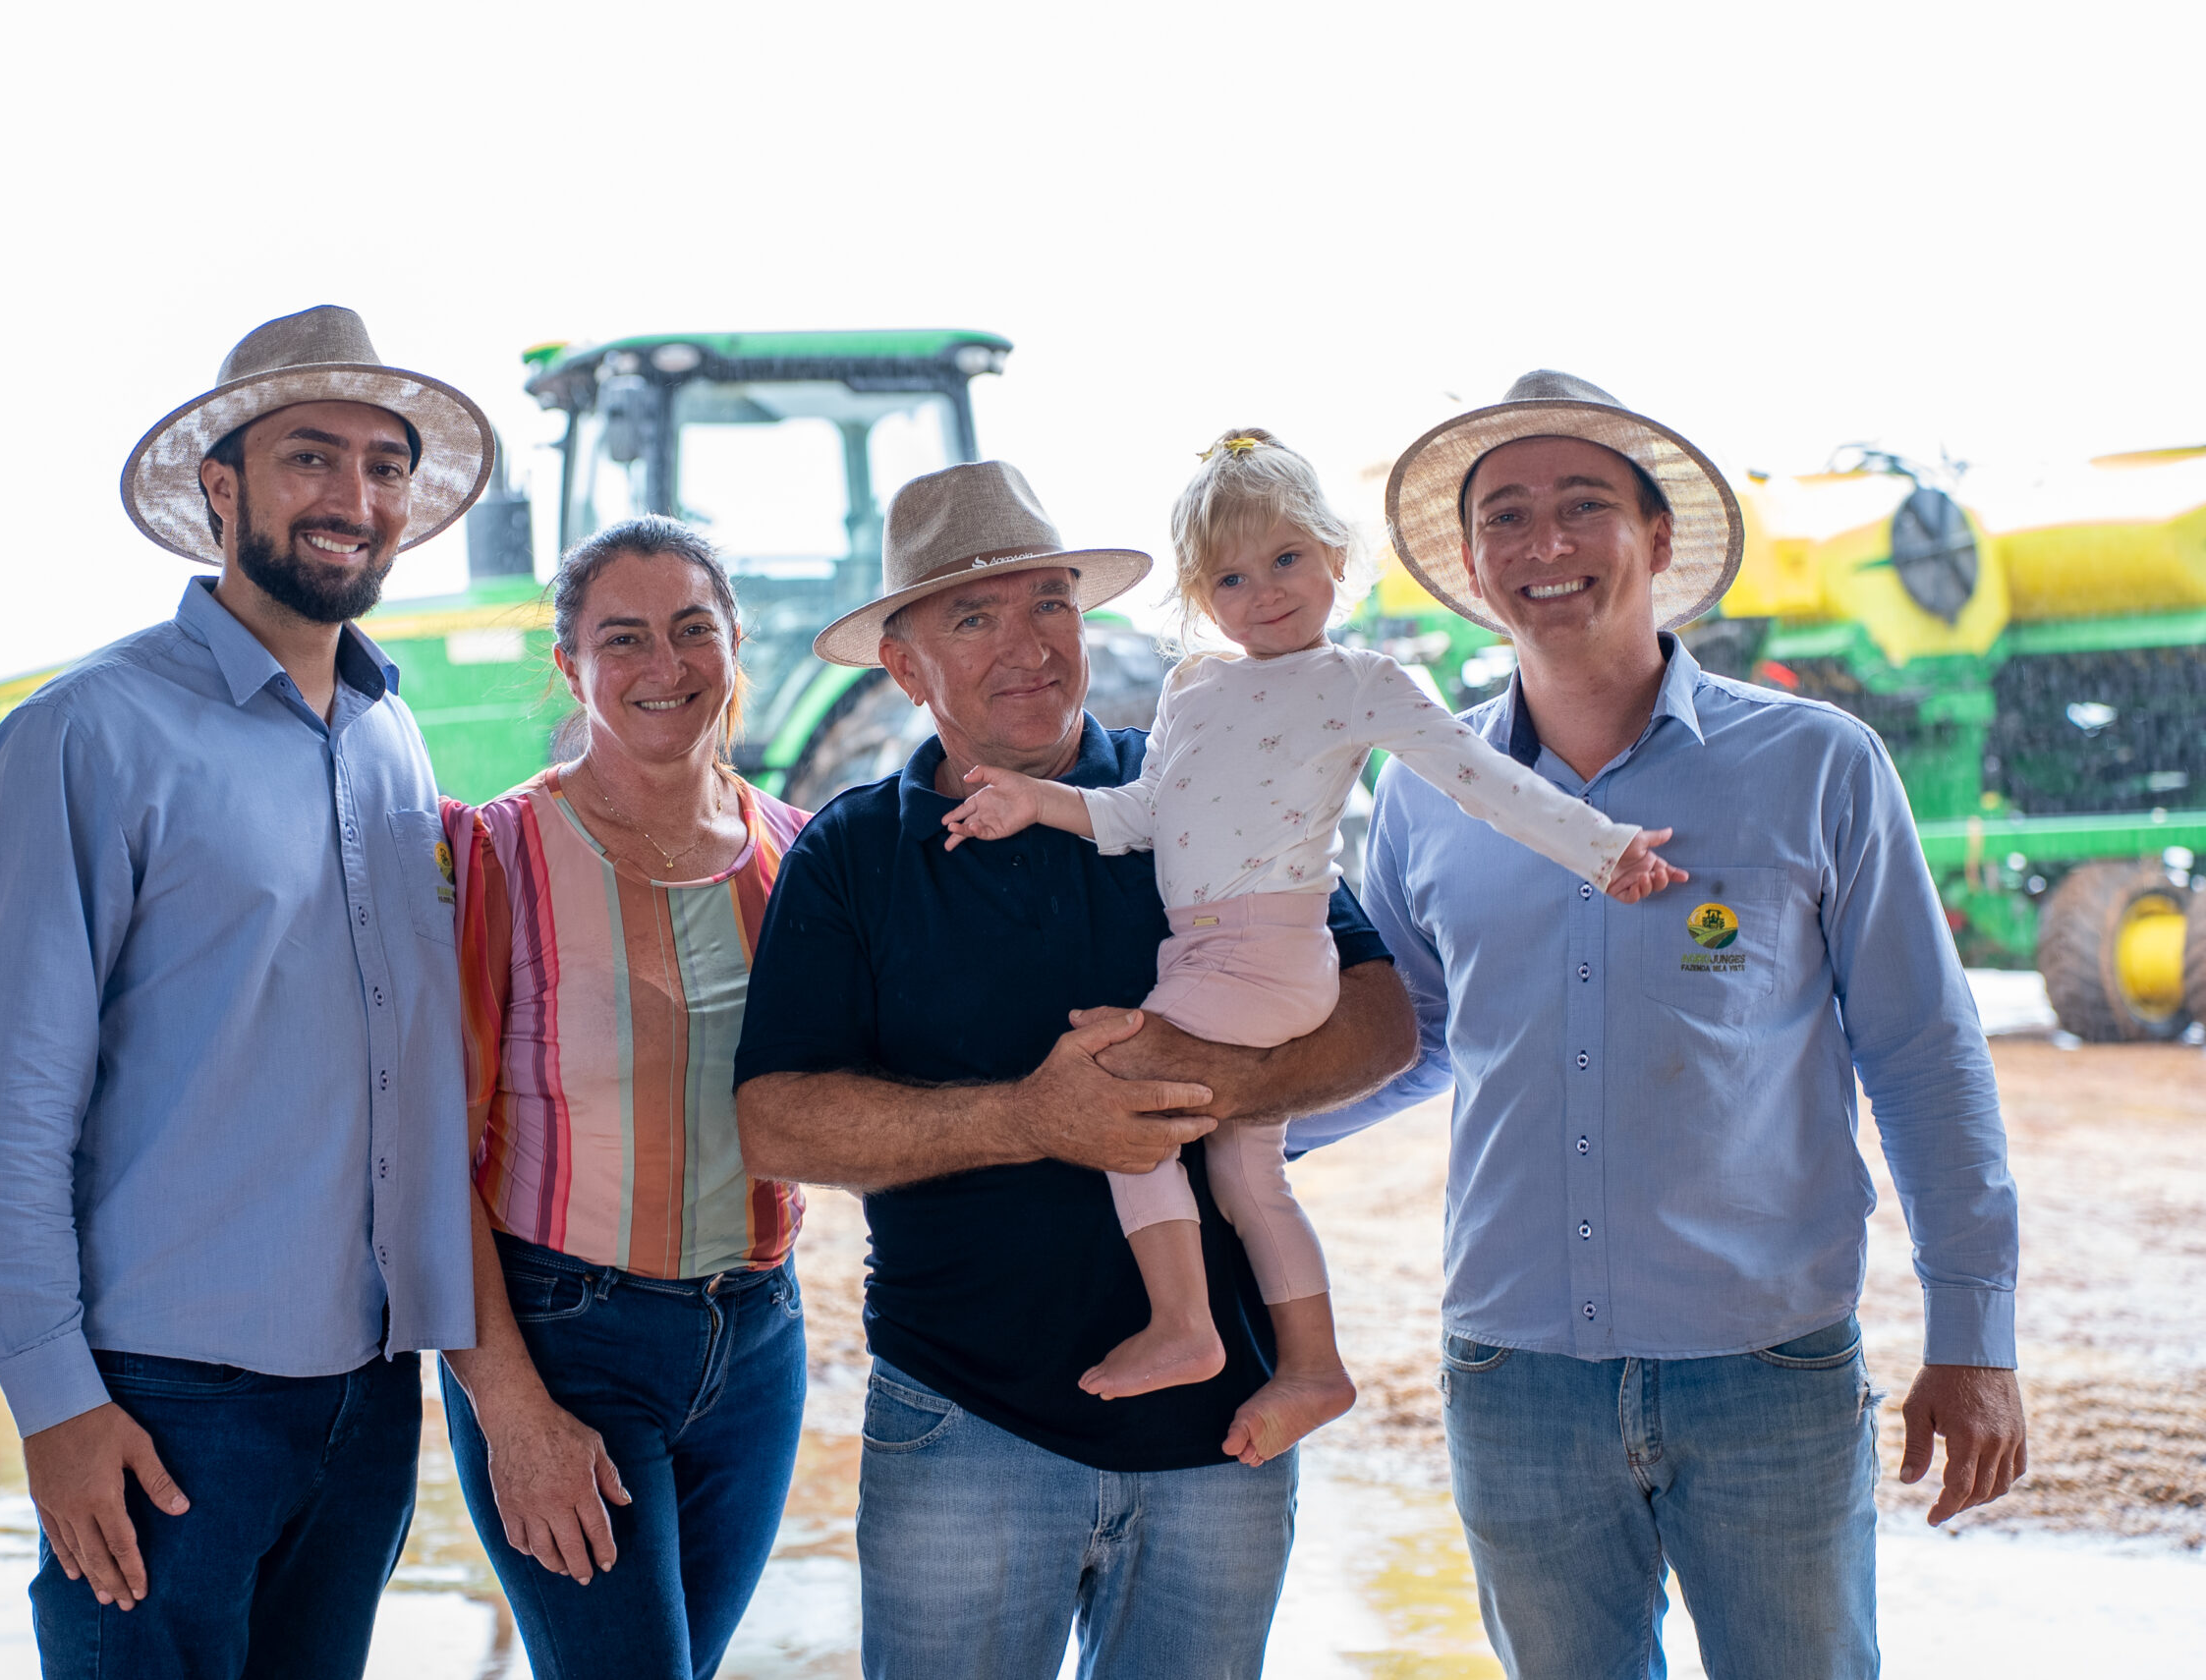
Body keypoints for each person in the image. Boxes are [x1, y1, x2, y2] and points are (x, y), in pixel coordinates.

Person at [1320, 371, 2026, 1678]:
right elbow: (1406, 1036)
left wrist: (1973, 1336)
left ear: (1655, 537)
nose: (1544, 541)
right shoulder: (1423, 794)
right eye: (1506, 515)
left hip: (1766, 1367)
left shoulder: (1815, 765)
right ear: (1472, 565)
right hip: (1514, 1375)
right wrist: (1217, 1132)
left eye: (1582, 504)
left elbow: (1925, 1058)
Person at [733, 460, 1422, 1679]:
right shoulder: (851, 854)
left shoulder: (1198, 780)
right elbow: (778, 1125)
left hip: (1227, 1432)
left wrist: (1206, 1083)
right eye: (974, 616)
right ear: (903, 667)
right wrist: (1033, 1118)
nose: (1030, 645)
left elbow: (1379, 1021)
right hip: (964, 1422)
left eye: (1049, 603)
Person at [938, 429, 1679, 1453]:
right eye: (1231, 577)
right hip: (1201, 956)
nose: (1265, 593)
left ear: (1335, 555)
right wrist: (1036, 801)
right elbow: (1141, 814)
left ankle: (1185, 1324)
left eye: (1287, 558)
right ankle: (1314, 1368)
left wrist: (1603, 849)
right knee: (1249, 1177)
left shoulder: (1360, 681)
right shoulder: (1194, 687)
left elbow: (1483, 781)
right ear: (1202, 596)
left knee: (1117, 1093)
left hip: (1272, 955)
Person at [0, 305, 492, 1676]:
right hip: (162, 1404)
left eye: (382, 466)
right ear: (222, 487)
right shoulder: (85, 734)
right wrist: (54, 1403)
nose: (353, 496)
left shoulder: (392, 737)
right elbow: (7, 1110)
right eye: (311, 457)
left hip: (368, 1398)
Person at [436, 516, 814, 1680]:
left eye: (693, 630)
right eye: (624, 639)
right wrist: (510, 1408)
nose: (666, 665)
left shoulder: (797, 855)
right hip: (566, 1341)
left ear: (734, 645)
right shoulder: (496, 854)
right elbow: (425, 1160)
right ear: (571, 666)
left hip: (758, 1341)